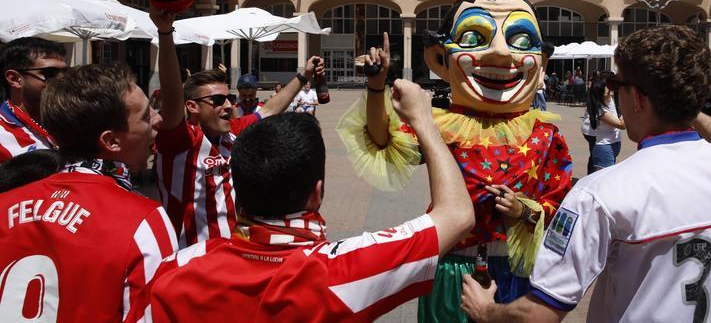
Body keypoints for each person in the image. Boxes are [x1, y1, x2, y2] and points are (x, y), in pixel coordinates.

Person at [461, 25, 711, 322]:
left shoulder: (600, 193)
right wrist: (683, 101)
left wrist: (487, 311)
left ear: (637, 97)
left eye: (616, 84)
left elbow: (540, 313)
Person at [339, 0, 573, 323]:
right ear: (438, 59)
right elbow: (383, 141)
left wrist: (523, 211)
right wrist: (376, 87)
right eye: (473, 38)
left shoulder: (546, 135)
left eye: (521, 41)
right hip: (450, 270)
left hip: (515, 273)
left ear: (541, 64)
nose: (501, 54)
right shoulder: (441, 124)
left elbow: (557, 209)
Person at [147, 81, 474, 322]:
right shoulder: (341, 270)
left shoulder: (175, 269)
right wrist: (424, 122)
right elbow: (457, 215)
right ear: (317, 193)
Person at [0, 64, 177, 322]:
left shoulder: (5, 203)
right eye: (145, 116)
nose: (158, 118)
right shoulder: (144, 220)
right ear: (111, 141)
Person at [150, 8, 325, 247]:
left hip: (234, 255)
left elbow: (270, 110)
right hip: (190, 260)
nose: (228, 105)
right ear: (191, 106)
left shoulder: (233, 132)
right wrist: (165, 33)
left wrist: (303, 76)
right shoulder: (180, 142)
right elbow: (171, 97)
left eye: (229, 97)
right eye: (218, 101)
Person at [0, 37, 67, 161]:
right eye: (50, 73)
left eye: (66, 72)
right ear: (14, 79)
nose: (62, 80)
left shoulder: (75, 120)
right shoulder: (3, 136)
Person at [583, 72, 625, 173]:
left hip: (611, 145)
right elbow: (621, 125)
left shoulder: (608, 100)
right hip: (605, 148)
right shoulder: (601, 110)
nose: (610, 91)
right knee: (604, 179)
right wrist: (626, 109)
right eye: (607, 90)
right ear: (600, 94)